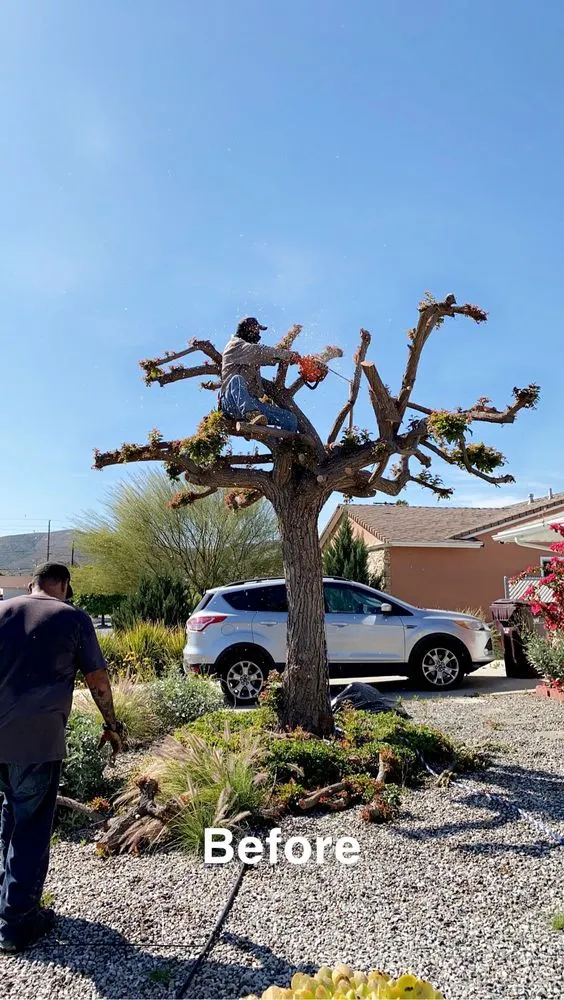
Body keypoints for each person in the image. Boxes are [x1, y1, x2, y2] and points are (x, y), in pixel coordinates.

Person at [0, 563, 122, 954]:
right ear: (65, 586)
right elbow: (98, 682)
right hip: (36, 741)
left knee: (9, 814)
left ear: (32, 584)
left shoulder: (2, 611)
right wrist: (112, 724)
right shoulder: (72, 617)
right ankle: (18, 923)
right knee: (32, 825)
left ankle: (6, 903)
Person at [220, 317, 300, 432]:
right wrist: (287, 355)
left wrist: (287, 358)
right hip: (231, 402)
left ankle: (288, 447)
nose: (258, 334)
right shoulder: (235, 345)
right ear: (249, 329)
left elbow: (269, 359)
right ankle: (251, 415)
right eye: (257, 329)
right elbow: (259, 351)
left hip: (252, 403)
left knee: (290, 419)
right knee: (236, 380)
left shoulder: (249, 353)